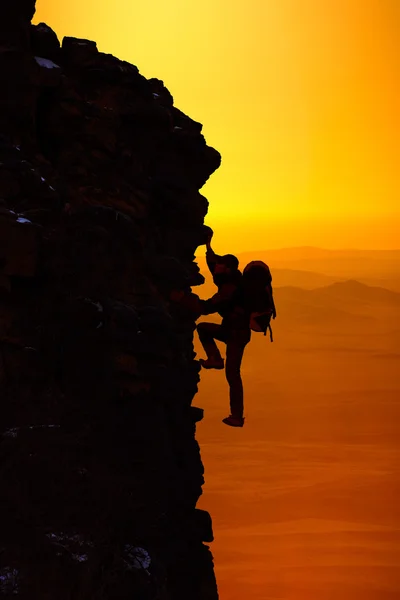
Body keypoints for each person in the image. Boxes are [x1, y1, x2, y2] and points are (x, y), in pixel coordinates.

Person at [196, 229, 250, 427]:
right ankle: (215, 359)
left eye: (221, 264)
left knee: (232, 374)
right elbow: (212, 263)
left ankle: (237, 416)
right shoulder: (226, 277)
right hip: (231, 330)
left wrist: (185, 301)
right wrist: (208, 245)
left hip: (237, 334)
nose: (216, 266)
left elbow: (210, 306)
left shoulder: (230, 287)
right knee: (203, 329)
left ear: (227, 269)